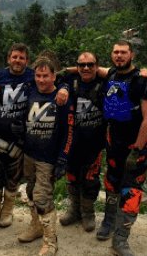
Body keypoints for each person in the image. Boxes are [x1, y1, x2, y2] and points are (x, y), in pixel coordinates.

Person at [0, 43, 69, 229]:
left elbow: (58, 78)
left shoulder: (33, 75)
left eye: (21, 57)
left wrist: (65, 88)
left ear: (27, 61)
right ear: (8, 58)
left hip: (21, 140)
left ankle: (7, 211)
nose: (17, 60)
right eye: (14, 57)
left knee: (13, 178)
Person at [96, 40, 147, 256]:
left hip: (136, 145)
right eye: (115, 52)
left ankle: (121, 239)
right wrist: (66, 73)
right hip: (114, 140)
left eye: (123, 52)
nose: (119, 55)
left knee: (132, 190)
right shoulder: (112, 75)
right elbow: (92, 68)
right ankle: (109, 220)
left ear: (132, 55)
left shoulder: (144, 81)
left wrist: (137, 149)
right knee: (111, 182)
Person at [17, 55, 75, 256]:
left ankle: (50, 242)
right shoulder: (31, 93)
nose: (41, 80)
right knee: (32, 192)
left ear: (53, 77)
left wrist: (63, 157)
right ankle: (36, 226)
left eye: (45, 76)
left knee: (43, 197)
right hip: (29, 155)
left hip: (48, 159)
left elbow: (69, 130)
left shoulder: (61, 98)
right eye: (38, 75)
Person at [59, 52, 106, 233]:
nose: (86, 68)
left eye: (90, 64)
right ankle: (74, 210)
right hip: (71, 141)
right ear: (76, 66)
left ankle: (88, 212)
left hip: (95, 142)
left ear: (97, 66)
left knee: (91, 179)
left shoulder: (105, 84)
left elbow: (119, 74)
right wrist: (64, 86)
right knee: (71, 176)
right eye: (81, 65)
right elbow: (55, 75)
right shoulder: (70, 81)